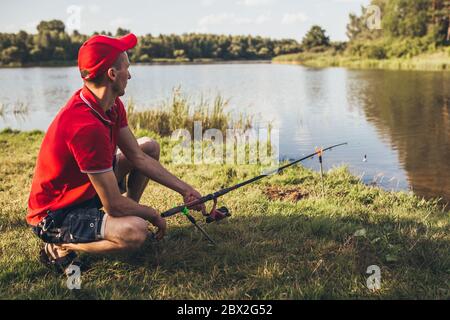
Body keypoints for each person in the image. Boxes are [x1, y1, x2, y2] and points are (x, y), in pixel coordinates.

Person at [26, 33, 205, 272]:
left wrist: (186, 190)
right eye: (126, 68)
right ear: (112, 74)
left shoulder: (110, 105)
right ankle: (62, 246)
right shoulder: (85, 126)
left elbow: (138, 156)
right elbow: (112, 204)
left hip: (84, 193)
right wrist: (151, 215)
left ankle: (126, 214)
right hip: (54, 215)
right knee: (136, 232)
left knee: (149, 146)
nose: (129, 75)